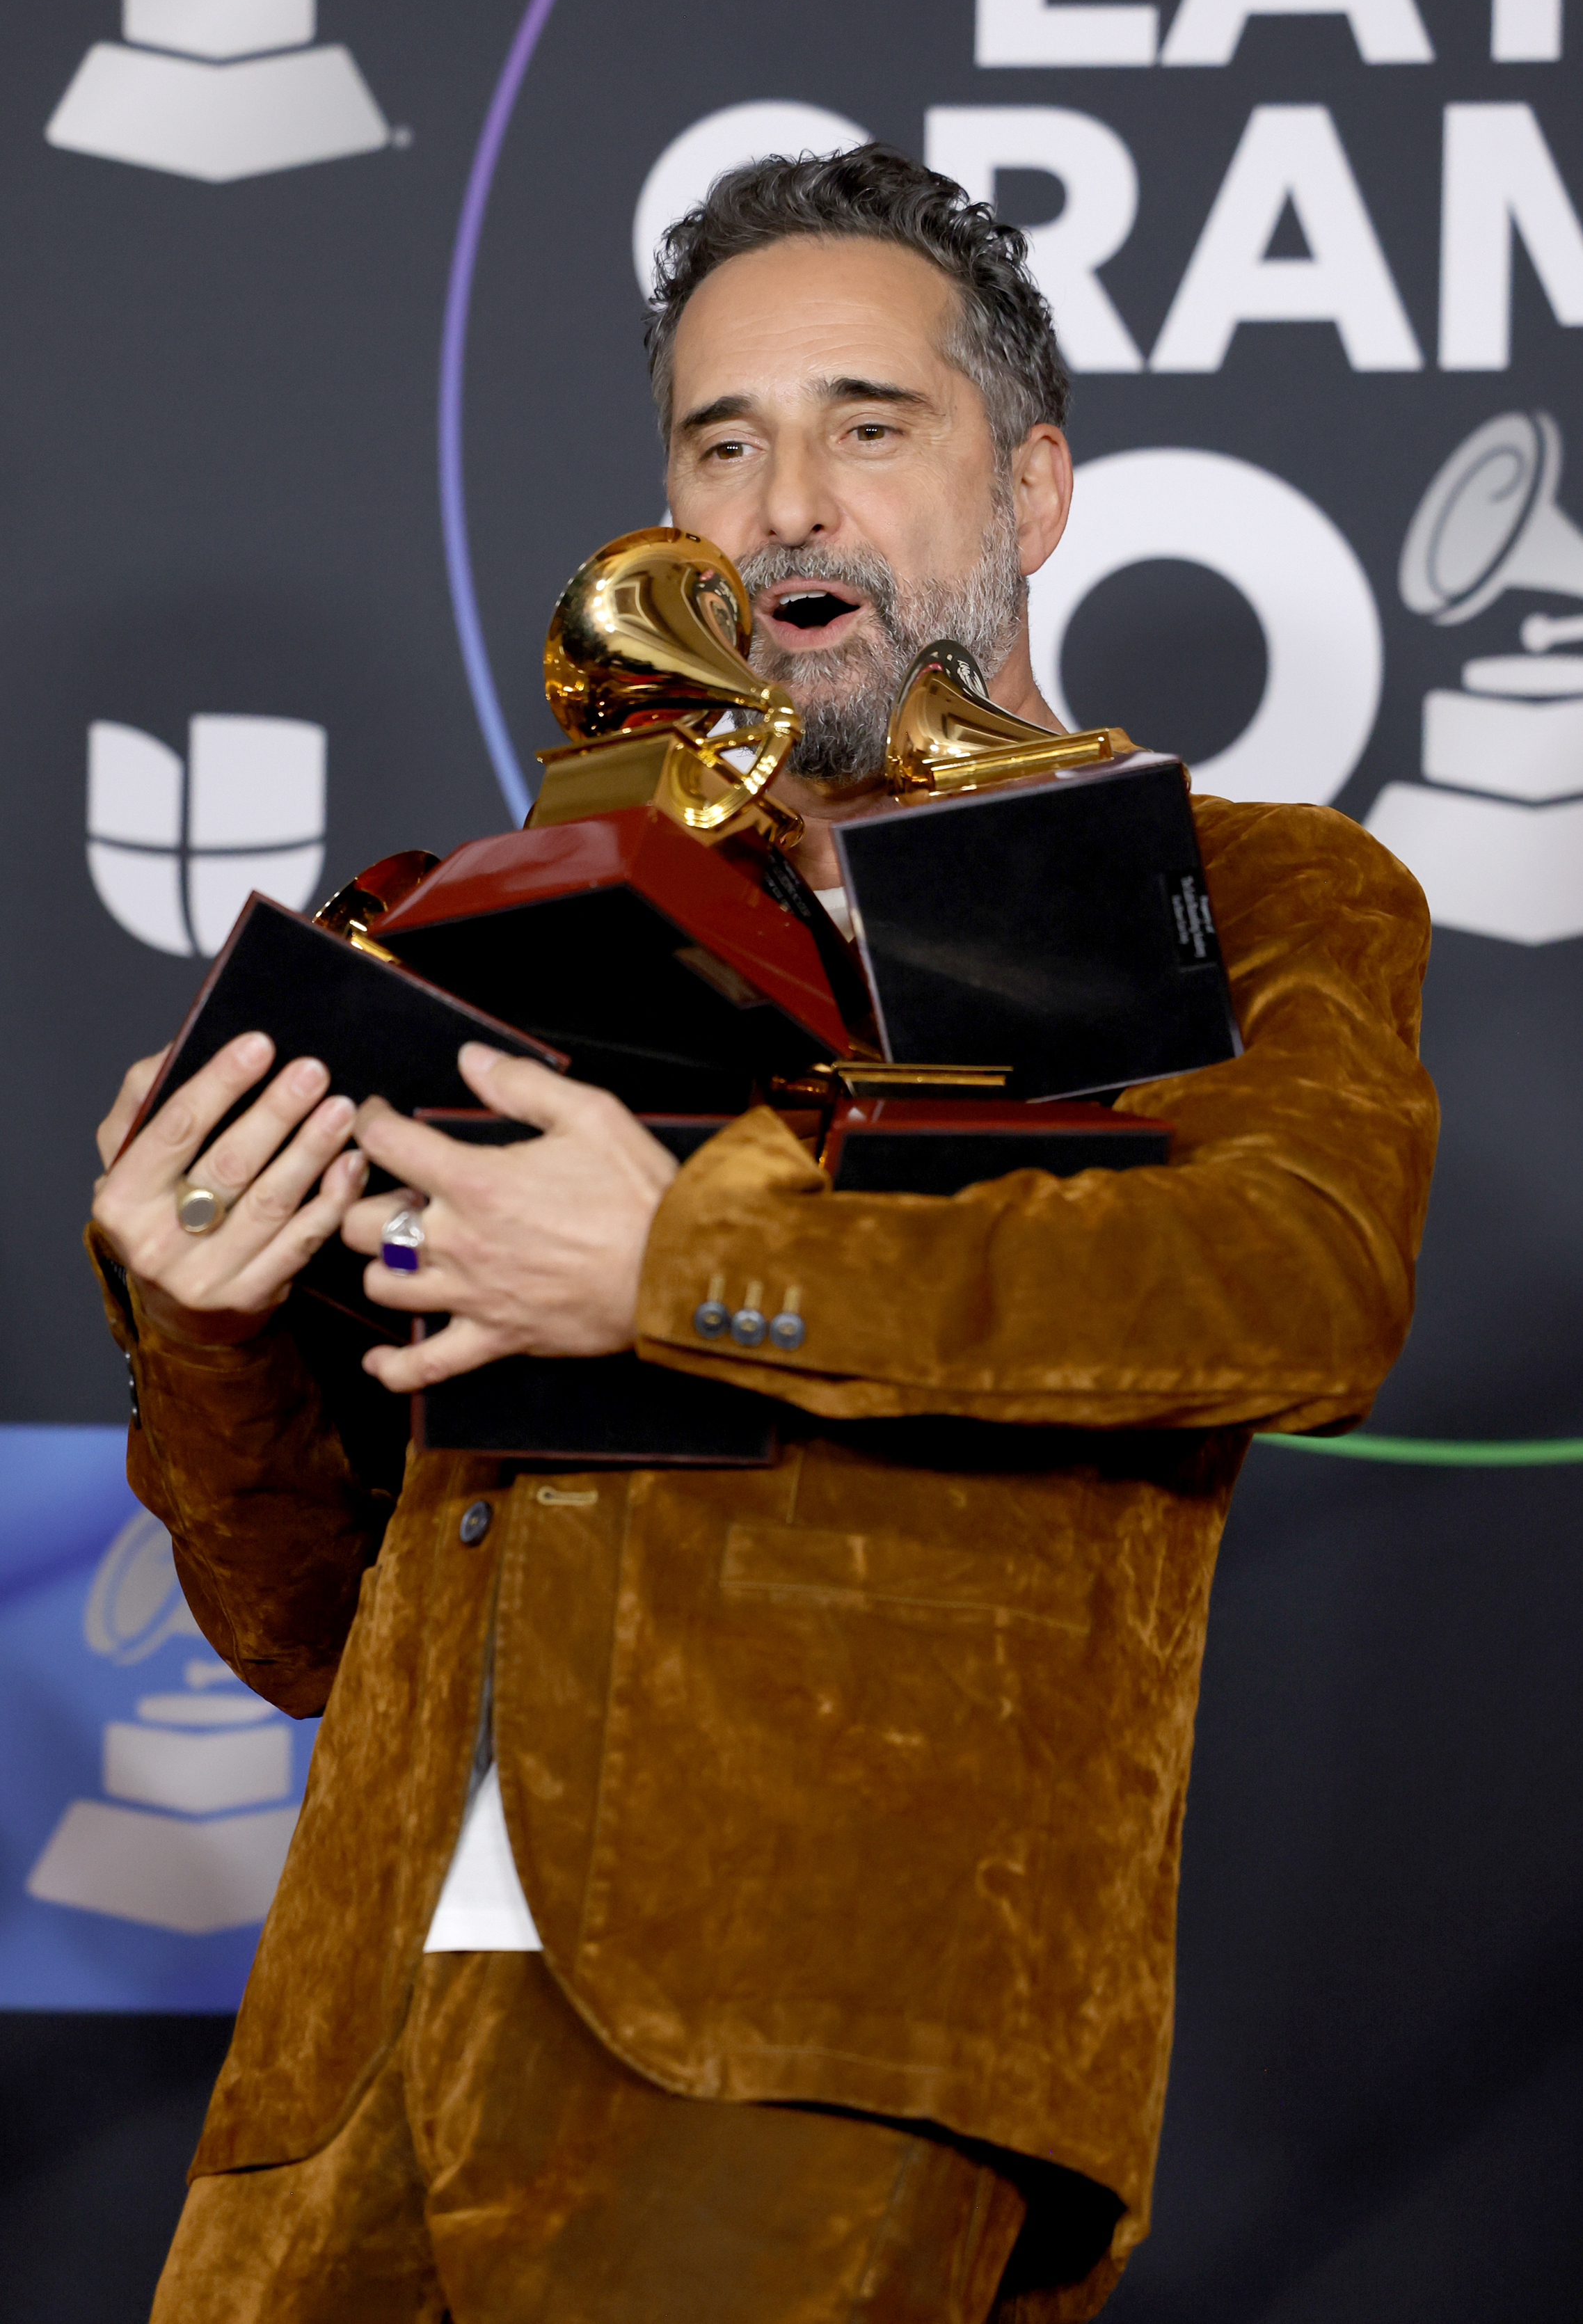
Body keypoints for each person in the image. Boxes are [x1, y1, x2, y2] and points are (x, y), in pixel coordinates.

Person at [88, 146, 1438, 2323]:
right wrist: (212, 1323)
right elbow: (328, 1637)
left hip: (820, 2041)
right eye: (722, 442)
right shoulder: (489, 942)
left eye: (862, 424)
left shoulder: (1238, 891)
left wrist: (682, 1266)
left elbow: (1293, 1285)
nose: (785, 500)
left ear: (1033, 488)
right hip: (355, 2075)